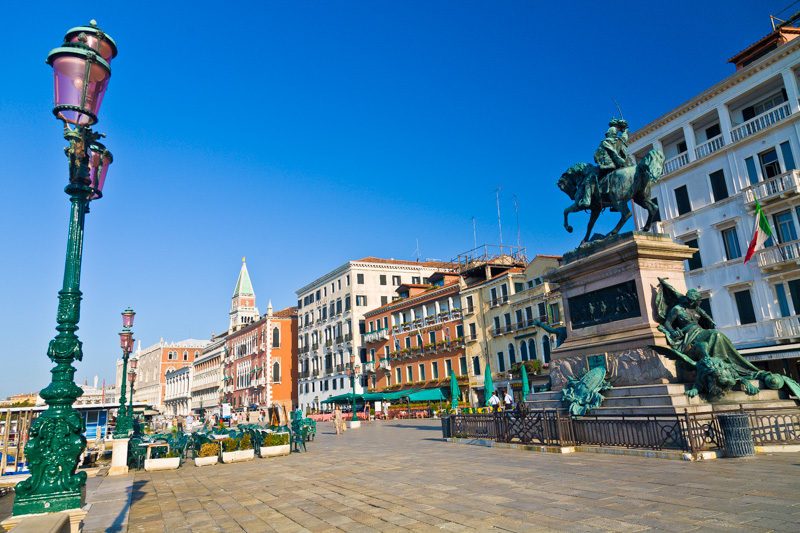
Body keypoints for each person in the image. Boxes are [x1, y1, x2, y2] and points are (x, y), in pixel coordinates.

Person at [577, 118, 631, 208]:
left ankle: (587, 200)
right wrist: (625, 130)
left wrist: (599, 162)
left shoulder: (605, 142)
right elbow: (625, 135)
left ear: (609, 133)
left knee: (589, 179)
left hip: (608, 166)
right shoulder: (621, 141)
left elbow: (596, 156)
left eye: (607, 132)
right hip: (621, 166)